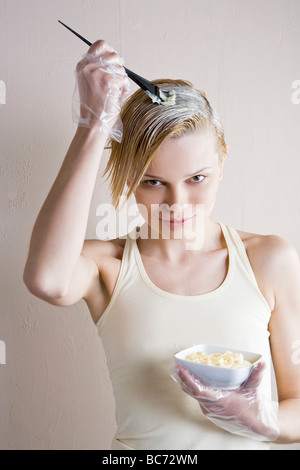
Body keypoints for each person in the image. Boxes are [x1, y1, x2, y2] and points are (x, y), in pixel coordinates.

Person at [23, 40, 300, 450]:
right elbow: (46, 279)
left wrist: (261, 421)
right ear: (129, 173)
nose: (177, 204)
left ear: (222, 161)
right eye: (153, 182)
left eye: (197, 178)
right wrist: (93, 123)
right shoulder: (109, 266)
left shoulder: (268, 260)